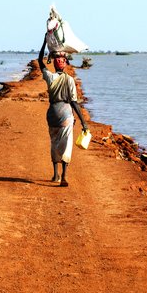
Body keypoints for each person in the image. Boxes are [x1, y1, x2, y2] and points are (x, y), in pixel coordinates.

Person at [37, 37, 88, 187]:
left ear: (53, 63)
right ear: (65, 64)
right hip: (65, 114)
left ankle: (55, 175)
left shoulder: (50, 77)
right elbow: (73, 102)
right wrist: (83, 122)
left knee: (54, 143)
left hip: (52, 114)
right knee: (66, 144)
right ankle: (64, 175)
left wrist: (44, 42)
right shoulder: (70, 80)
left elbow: (40, 60)